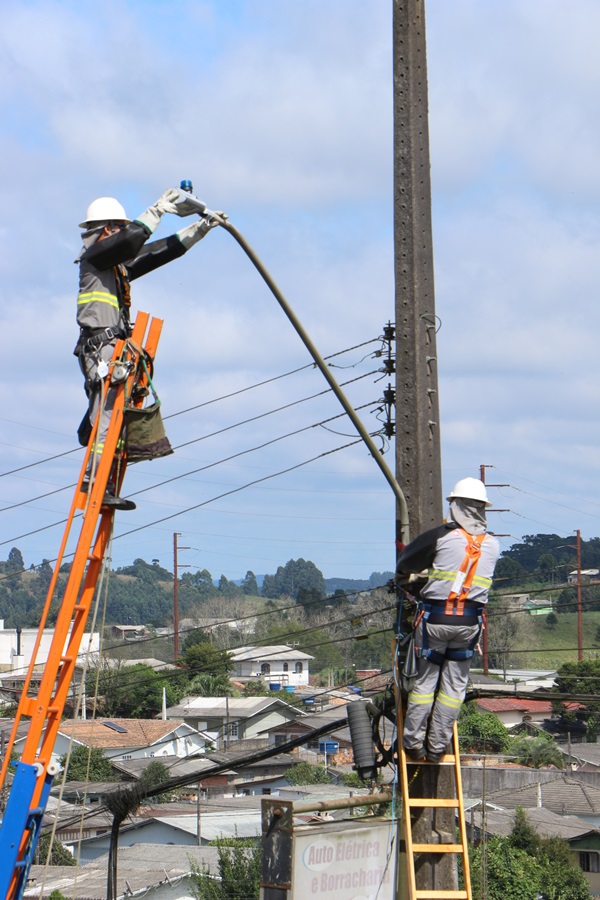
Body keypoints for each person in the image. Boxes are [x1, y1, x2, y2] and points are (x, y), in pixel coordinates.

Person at [74, 188, 219, 510]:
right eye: (117, 227)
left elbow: (154, 253)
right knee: (107, 418)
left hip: (113, 349)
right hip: (101, 349)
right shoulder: (94, 258)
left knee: (116, 419)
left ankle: (103, 480)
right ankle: (96, 482)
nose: (120, 232)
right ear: (105, 229)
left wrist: (199, 230)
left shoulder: (114, 267)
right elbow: (130, 242)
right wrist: (158, 210)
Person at [397, 477, 500, 762]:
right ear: (482, 509)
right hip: (469, 626)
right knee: (454, 688)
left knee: (425, 683)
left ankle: (413, 743)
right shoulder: (493, 545)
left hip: (436, 621)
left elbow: (406, 563)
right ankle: (437, 747)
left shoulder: (441, 536)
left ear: (455, 505)